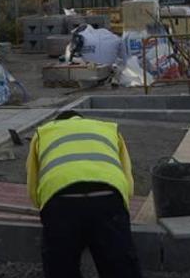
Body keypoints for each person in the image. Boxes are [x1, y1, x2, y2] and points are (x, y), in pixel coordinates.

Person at [26, 111, 142, 278]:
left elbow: (32, 179)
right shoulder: (109, 128)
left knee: (61, 266)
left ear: (57, 122)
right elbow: (127, 176)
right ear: (81, 119)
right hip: (107, 197)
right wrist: (120, 208)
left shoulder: (43, 132)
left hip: (61, 201)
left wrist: (42, 206)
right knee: (120, 265)